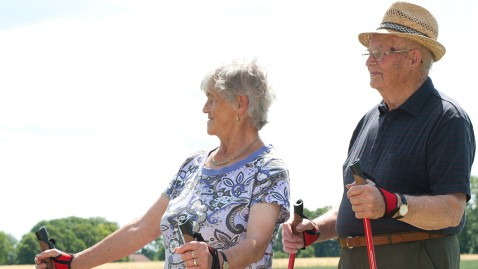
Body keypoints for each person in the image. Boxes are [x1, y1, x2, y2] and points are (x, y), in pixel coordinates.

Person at [34, 58, 291, 269]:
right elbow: (142, 228)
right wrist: (72, 263)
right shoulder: (193, 164)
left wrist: (218, 260)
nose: (205, 108)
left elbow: (256, 245)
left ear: (240, 104)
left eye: (212, 98)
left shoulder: (268, 168)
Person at [282, 2, 475, 269]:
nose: (370, 61)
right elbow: (358, 205)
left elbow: (452, 211)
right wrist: (315, 229)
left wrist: (391, 204)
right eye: (369, 52)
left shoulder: (447, 118)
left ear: (414, 58)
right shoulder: (367, 120)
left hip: (414, 259)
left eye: (381, 52)